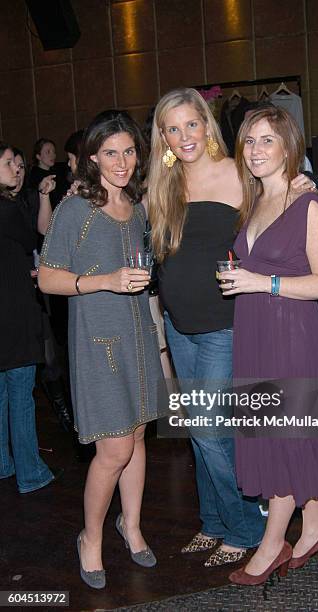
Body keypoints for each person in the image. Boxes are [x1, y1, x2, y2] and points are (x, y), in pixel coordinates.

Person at [147, 87, 316, 567]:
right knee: (203, 435)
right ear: (163, 136)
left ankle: (250, 528)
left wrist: (301, 184)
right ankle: (215, 522)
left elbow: (282, 203)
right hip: (181, 327)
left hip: (227, 323)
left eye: (191, 124)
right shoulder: (160, 184)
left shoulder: (238, 173)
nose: (184, 136)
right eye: (172, 128)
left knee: (208, 430)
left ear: (206, 123)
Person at [38, 110, 165, 589]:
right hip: (99, 344)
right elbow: (49, 278)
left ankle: (131, 526)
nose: (122, 162)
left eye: (129, 151)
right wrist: (105, 282)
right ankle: (90, 537)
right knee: (113, 448)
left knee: (136, 439)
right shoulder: (77, 210)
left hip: (138, 339)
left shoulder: (136, 206)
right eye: (111, 153)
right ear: (92, 157)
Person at [217, 106, 318, 585]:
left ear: (289, 146)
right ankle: (314, 527)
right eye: (249, 141)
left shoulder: (307, 204)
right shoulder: (254, 202)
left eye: (267, 140)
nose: (255, 151)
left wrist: (261, 281)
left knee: (283, 434)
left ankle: (273, 544)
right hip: (255, 333)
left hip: (291, 335)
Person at [0, 142, 55, 494]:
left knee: (4, 393)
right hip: (14, 313)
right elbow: (33, 235)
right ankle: (30, 473)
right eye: (8, 163)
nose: (17, 169)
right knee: (21, 393)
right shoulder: (7, 209)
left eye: (19, 164)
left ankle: (4, 465)